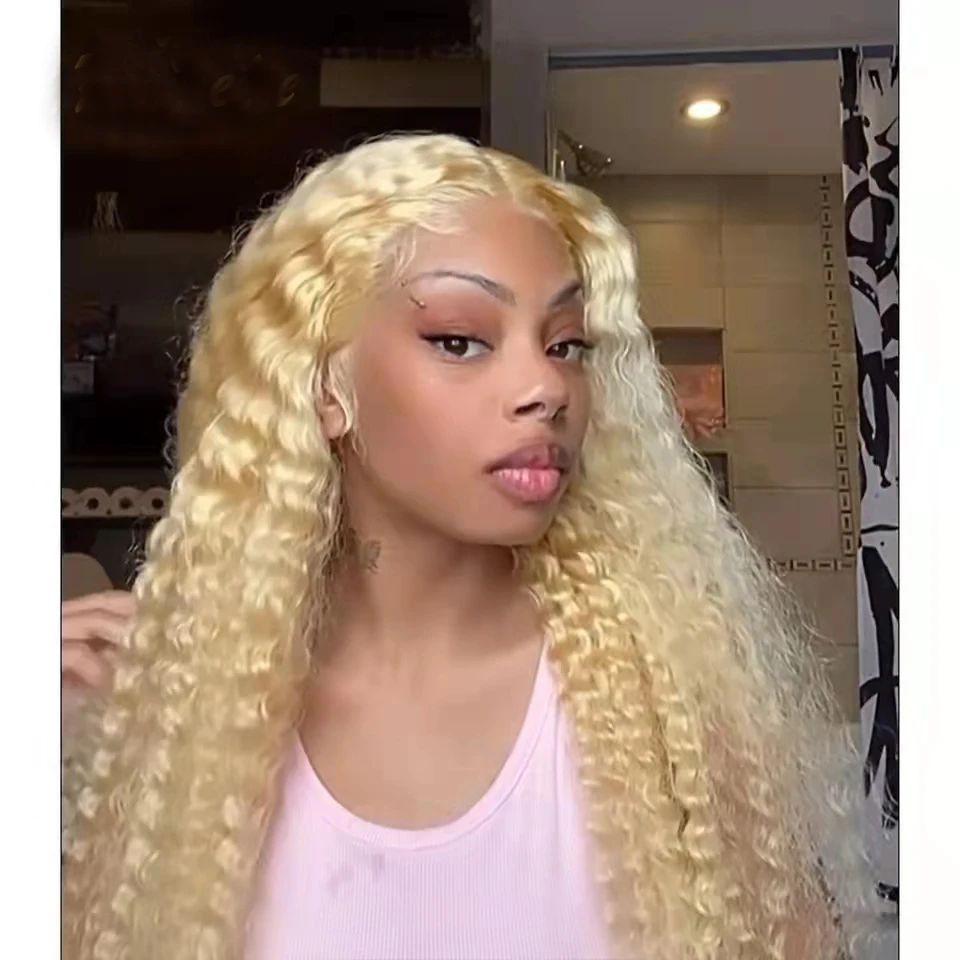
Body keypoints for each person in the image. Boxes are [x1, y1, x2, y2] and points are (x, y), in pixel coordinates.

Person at [61, 134, 875, 960]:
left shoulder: (662, 716)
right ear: (324, 386)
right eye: (459, 340)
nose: (546, 388)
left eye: (565, 344)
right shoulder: (175, 719)